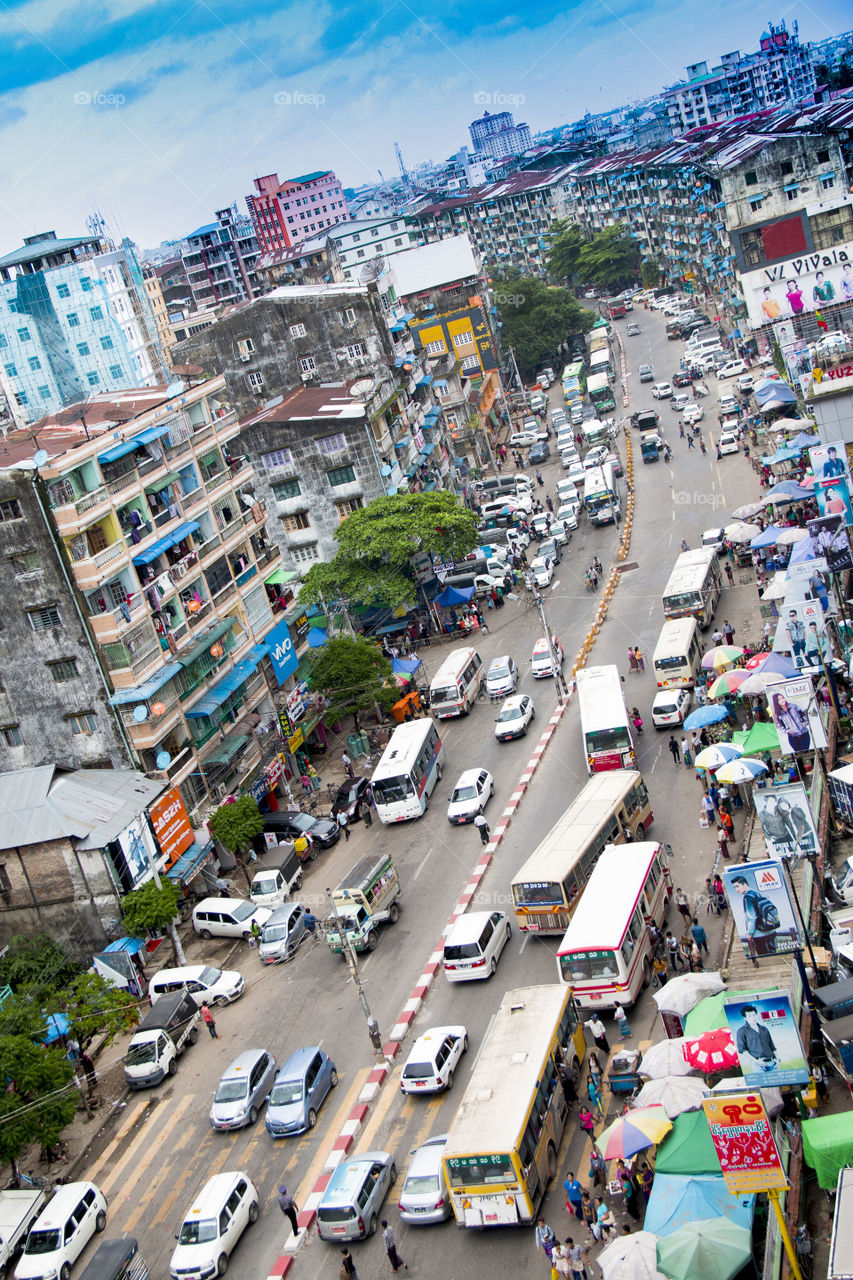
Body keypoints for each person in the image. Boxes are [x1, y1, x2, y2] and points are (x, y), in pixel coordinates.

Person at [731, 875, 781, 957]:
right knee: (774, 955)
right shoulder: (757, 893)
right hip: (770, 930)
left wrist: (749, 933)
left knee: (764, 958)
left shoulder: (748, 897)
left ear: (744, 884)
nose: (736, 890)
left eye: (737, 886)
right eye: (734, 887)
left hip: (760, 934)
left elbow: (751, 917)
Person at [736, 1004, 780, 1072]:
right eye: (750, 1016)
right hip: (758, 1065)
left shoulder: (764, 1029)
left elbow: (772, 1046)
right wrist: (756, 1061)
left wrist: (777, 1060)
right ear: (745, 1018)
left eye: (754, 1015)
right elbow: (742, 1050)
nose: (753, 1018)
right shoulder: (741, 1031)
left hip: (772, 1062)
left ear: (756, 1015)